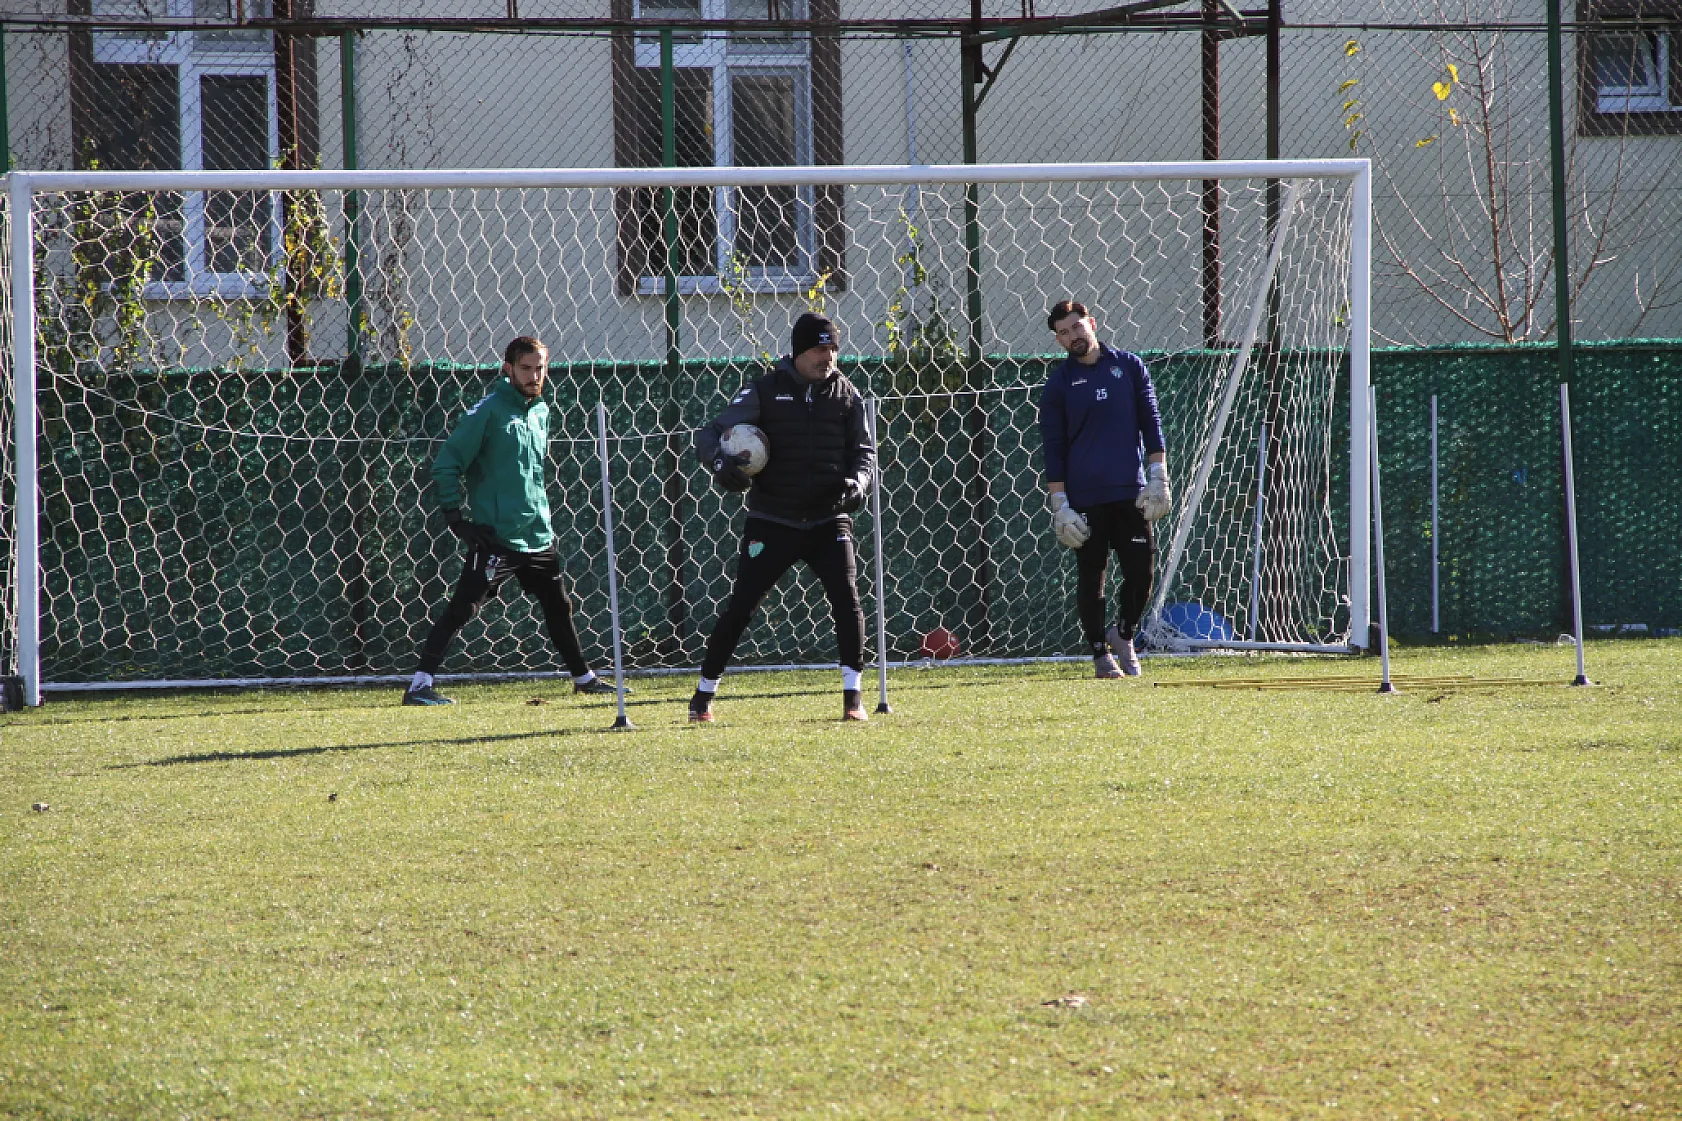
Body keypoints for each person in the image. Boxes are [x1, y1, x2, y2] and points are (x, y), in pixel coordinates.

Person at [401, 336, 620, 705]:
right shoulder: (487, 412)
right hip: (497, 537)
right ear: (508, 369)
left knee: (558, 606)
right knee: (464, 608)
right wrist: (457, 520)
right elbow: (447, 464)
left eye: (540, 368)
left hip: (537, 534)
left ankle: (584, 678)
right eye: (526, 368)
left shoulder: (541, 412)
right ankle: (419, 686)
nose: (534, 375)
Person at [689, 312, 876, 723]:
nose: (827, 357)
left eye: (832, 348)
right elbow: (708, 435)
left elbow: (864, 454)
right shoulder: (763, 391)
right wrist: (722, 462)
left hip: (829, 519)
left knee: (847, 598)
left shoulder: (848, 396)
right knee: (742, 606)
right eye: (818, 349)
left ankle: (853, 698)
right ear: (798, 352)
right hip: (773, 519)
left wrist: (859, 484)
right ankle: (703, 696)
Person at [1038, 299, 1172, 678]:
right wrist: (1059, 503)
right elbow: (1054, 447)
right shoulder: (1058, 385)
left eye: (1077, 327)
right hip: (1084, 498)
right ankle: (1100, 654)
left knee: (1142, 571)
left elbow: (1151, 419)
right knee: (1091, 576)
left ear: (1091, 323)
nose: (1072, 336)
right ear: (1058, 340)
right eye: (1063, 333)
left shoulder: (1129, 367)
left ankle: (1123, 634)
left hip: (1130, 491)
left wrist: (1158, 474)